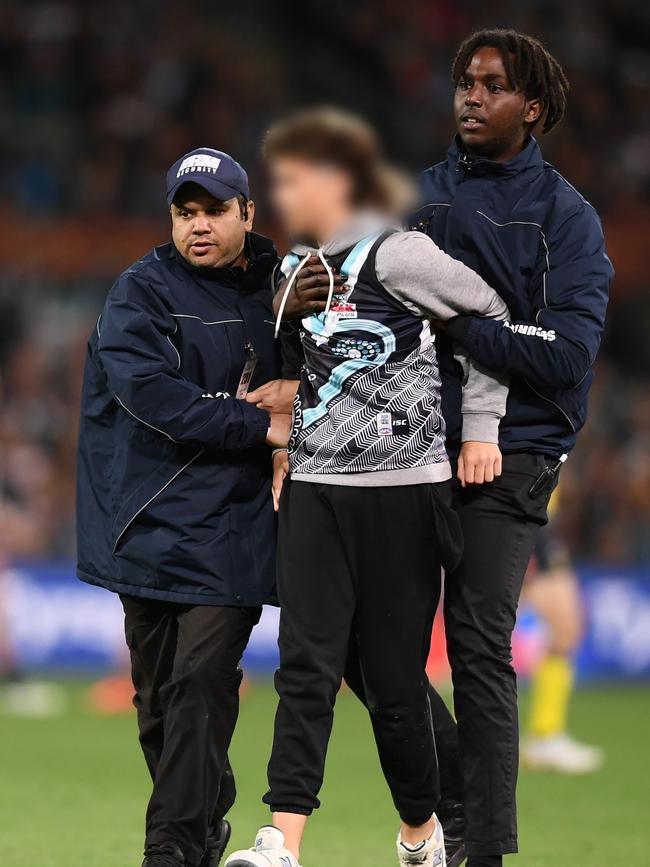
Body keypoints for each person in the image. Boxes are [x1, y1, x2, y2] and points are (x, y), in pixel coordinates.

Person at [269, 31, 613, 867]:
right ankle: (449, 800)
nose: (469, 96)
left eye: (492, 86)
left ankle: (482, 848)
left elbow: (566, 354)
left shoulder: (565, 219)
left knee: (476, 641)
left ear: (531, 107)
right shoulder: (413, 205)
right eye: (464, 82)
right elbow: (338, 320)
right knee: (353, 644)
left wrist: (459, 326)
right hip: (403, 454)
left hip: (513, 456)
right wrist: (291, 302)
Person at [225, 107, 510, 867]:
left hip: (405, 494)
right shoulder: (295, 271)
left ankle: (420, 832)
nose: (280, 196)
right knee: (305, 669)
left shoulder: (401, 255)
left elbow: (491, 315)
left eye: (289, 180)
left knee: (393, 688)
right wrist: (286, 442)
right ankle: (279, 844)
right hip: (317, 491)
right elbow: (306, 375)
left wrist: (480, 425)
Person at [76, 147, 291, 867]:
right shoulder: (139, 293)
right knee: (160, 706)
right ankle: (202, 821)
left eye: (215, 211)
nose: (198, 225)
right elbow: (155, 399)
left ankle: (169, 852)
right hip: (149, 519)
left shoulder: (285, 293)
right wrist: (258, 424)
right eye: (185, 211)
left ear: (248, 213)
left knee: (201, 681)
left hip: (235, 522)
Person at [520, 489, 603, 773]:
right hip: (515, 504)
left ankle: (546, 734)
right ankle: (464, 739)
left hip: (539, 512)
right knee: (487, 634)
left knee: (566, 627)